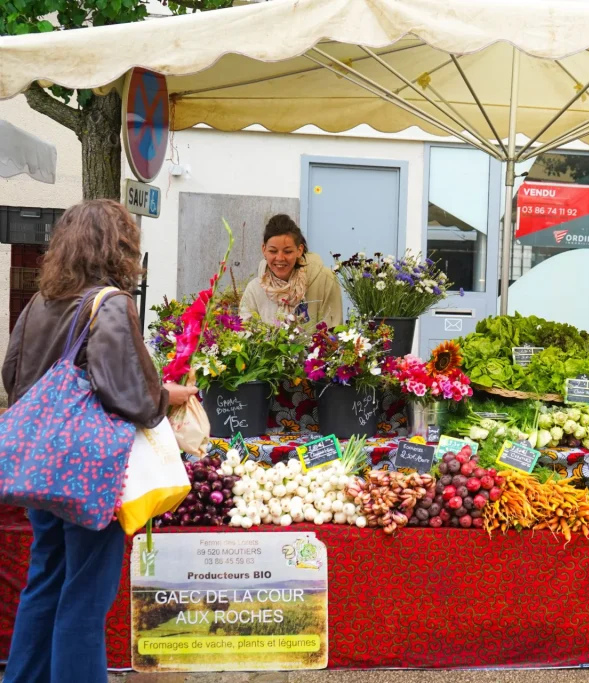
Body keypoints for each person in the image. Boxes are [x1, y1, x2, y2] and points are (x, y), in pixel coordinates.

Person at [1, 199, 197, 683]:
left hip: (41, 466)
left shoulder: (40, 303)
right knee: (85, 599)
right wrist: (167, 394)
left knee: (44, 581)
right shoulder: (109, 303)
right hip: (90, 472)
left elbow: (12, 375)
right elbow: (131, 395)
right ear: (120, 247)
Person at [239, 214, 342, 327]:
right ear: (264, 250)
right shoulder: (254, 289)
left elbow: (333, 331)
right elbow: (244, 333)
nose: (280, 258)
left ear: (299, 250)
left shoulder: (324, 279)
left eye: (287, 252)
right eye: (273, 251)